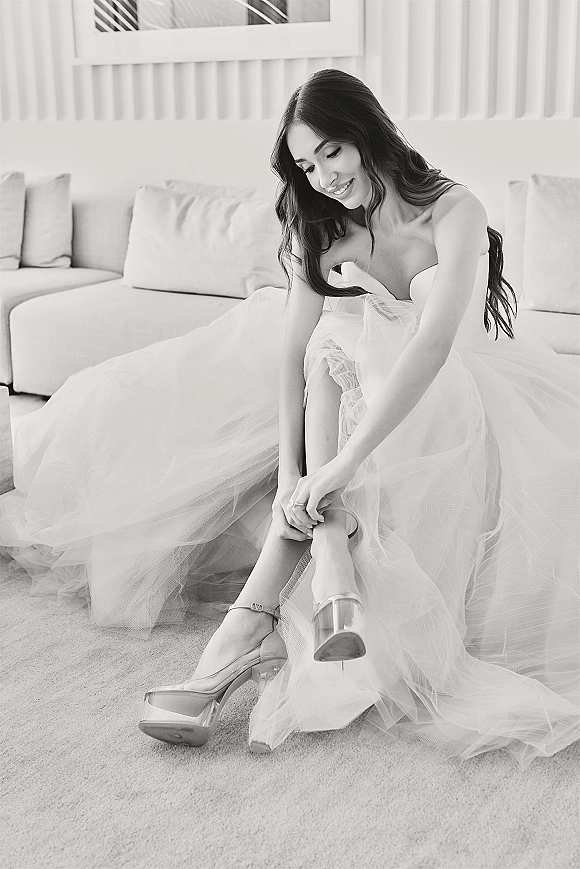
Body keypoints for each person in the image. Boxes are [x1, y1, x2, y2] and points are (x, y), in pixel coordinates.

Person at [1, 71, 578, 769]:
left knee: (347, 353)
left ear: (369, 131)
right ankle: (324, 556)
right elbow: (293, 346)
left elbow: (432, 345)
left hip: (451, 387)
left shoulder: (452, 209)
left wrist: (339, 462)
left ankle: (235, 642)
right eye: (306, 164)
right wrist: (295, 471)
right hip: (350, 384)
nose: (323, 175)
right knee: (318, 353)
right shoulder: (320, 225)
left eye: (331, 151)